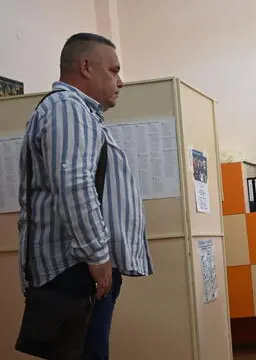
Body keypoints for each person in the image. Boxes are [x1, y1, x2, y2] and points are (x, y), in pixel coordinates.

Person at [18, 32, 154, 359]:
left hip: (80, 271)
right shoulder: (68, 108)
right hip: (74, 272)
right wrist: (97, 254)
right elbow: (74, 182)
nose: (120, 82)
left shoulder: (80, 114)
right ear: (86, 67)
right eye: (114, 71)